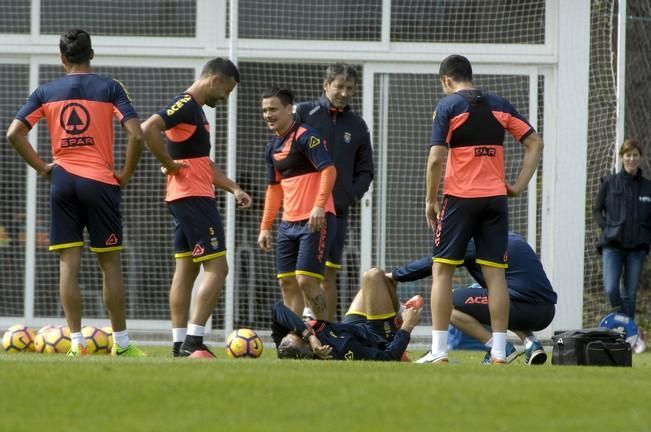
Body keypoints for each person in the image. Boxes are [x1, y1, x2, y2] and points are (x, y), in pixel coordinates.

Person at [6, 29, 145, 357]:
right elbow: (137, 136)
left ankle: (77, 344)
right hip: (100, 183)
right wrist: (124, 174)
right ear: (91, 55)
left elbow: (14, 133)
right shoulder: (110, 87)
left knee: (69, 263)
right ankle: (122, 345)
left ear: (62, 59)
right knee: (109, 263)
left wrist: (42, 167)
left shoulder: (45, 91)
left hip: (63, 181)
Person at [423, 54, 543, 364]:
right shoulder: (500, 104)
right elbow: (535, 143)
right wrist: (517, 185)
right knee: (496, 276)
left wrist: (430, 199)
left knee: (442, 270)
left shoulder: (448, 106)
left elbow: (436, 158)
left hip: (460, 200)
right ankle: (501, 351)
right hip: (495, 200)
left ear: (446, 80)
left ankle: (438, 351)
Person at [141, 58, 251, 358]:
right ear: (214, 80)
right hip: (193, 198)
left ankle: (179, 344)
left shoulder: (197, 114)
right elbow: (148, 127)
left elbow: (203, 165)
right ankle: (194, 339)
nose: (225, 98)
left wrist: (234, 188)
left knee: (186, 269)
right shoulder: (187, 104)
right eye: (226, 91)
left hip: (185, 197)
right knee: (218, 267)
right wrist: (166, 163)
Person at [390, 232, 557, 365]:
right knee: (498, 296)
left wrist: (395, 275)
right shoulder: (512, 237)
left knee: (446, 301)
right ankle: (531, 343)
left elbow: (433, 263)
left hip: (519, 307)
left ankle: (497, 347)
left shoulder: (473, 242)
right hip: (547, 312)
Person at [294, 63, 374, 321]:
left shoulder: (358, 125)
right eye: (339, 86)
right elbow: (287, 151)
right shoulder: (304, 113)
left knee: (329, 276)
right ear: (325, 85)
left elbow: (366, 170)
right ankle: (297, 332)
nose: (344, 92)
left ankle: (325, 332)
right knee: (302, 276)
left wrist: (350, 195)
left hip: (338, 213)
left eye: (349, 88)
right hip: (306, 211)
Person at [258, 86, 337, 321]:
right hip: (288, 224)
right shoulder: (271, 148)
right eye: (264, 111)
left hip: (315, 220)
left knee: (307, 279)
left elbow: (329, 170)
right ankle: (295, 337)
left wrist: (319, 205)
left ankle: (326, 331)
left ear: (289, 109)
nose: (268, 115)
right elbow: (274, 189)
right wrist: (265, 226)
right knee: (287, 282)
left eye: (273, 109)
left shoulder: (306, 136)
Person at [272, 268, 422, 361]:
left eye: (295, 331)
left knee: (380, 279)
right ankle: (399, 323)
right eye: (299, 334)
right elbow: (389, 358)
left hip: (350, 327)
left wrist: (307, 335)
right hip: (376, 336)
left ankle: (398, 312)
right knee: (374, 276)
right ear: (313, 349)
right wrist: (407, 327)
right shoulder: (340, 350)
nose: (298, 328)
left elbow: (278, 308)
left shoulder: (286, 348)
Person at [593, 139, 651, 320]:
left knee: (630, 293)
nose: (632, 159)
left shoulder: (648, 187)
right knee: (611, 288)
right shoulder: (609, 183)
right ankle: (624, 322)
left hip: (637, 248)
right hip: (612, 245)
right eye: (628, 155)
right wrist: (607, 228)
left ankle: (628, 336)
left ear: (640, 158)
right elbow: (597, 209)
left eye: (635, 155)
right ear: (621, 157)